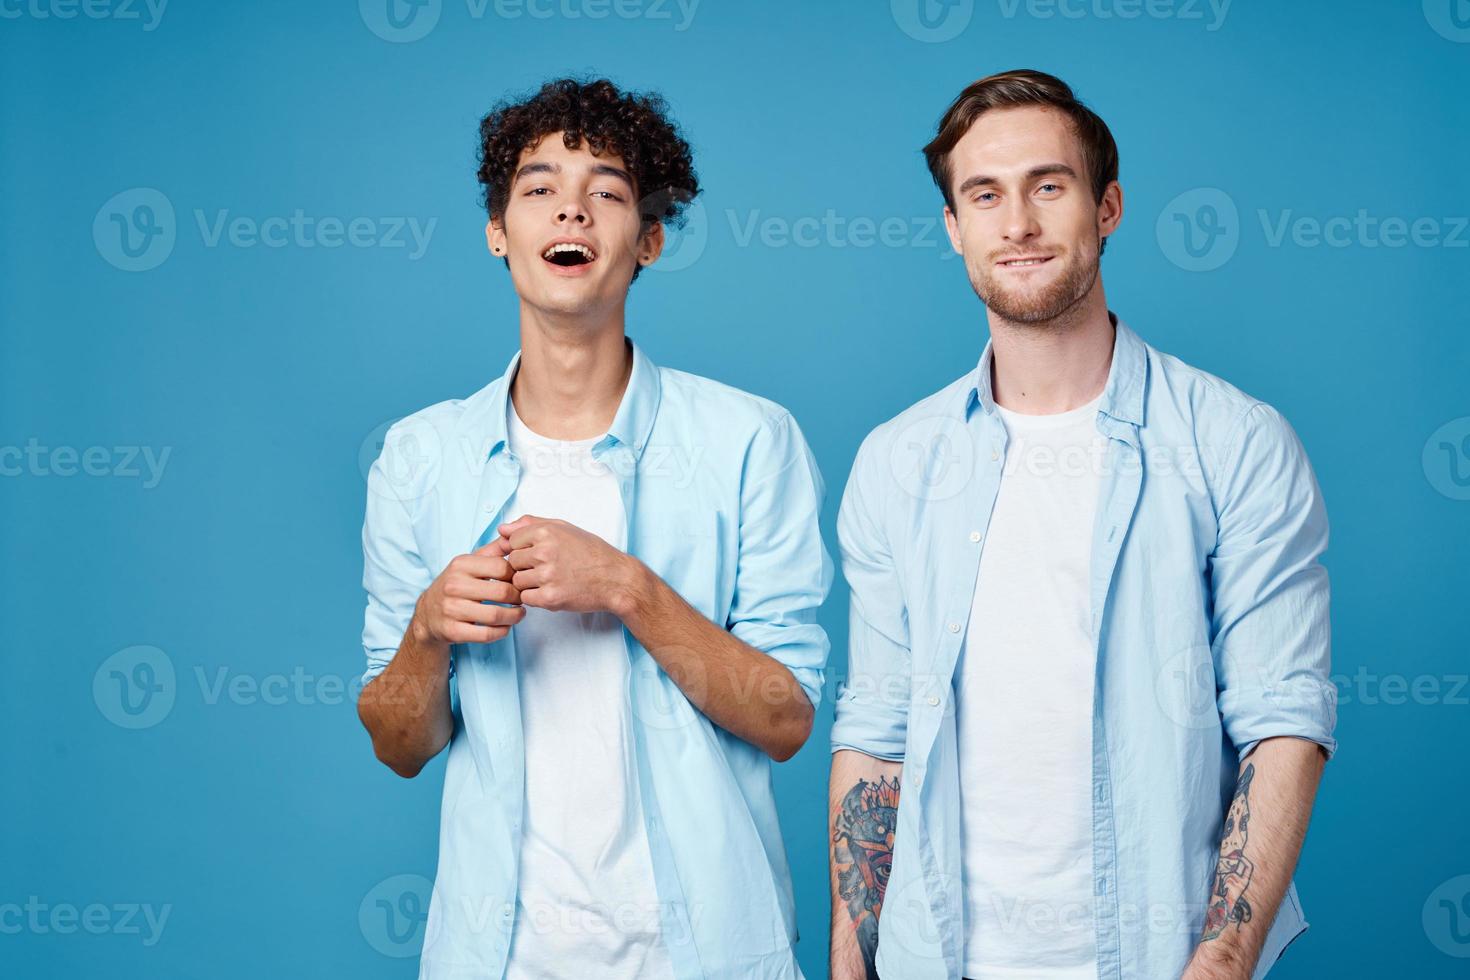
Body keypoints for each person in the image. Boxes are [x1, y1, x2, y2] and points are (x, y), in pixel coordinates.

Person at [828, 69, 1335, 980]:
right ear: (954, 228)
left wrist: (1219, 963)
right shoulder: (895, 463)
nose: (1016, 224)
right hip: (934, 958)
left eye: (1047, 187)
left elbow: (1281, 721)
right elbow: (877, 729)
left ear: (1107, 207)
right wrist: (851, 949)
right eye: (984, 196)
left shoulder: (1236, 442)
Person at [357, 77, 831, 980]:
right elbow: (398, 744)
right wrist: (427, 630)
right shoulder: (418, 459)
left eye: (607, 191)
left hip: (707, 953)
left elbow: (784, 720)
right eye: (538, 189)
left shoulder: (749, 440)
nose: (569, 209)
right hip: (499, 957)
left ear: (649, 239)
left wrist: (628, 589)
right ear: (498, 231)